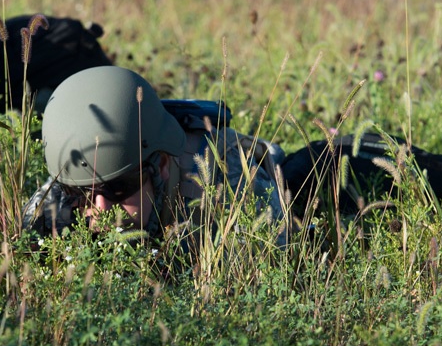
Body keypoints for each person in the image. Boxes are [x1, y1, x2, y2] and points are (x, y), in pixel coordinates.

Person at [21, 65, 287, 243]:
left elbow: (274, 262)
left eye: (119, 187)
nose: (100, 209)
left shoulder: (229, 183)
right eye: (81, 193)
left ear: (160, 165)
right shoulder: (55, 202)